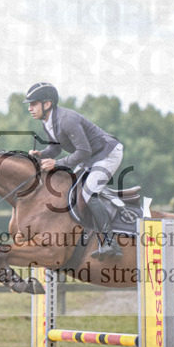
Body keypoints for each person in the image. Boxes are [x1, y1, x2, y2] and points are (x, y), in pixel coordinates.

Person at [25, 82, 124, 258]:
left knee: (88, 193)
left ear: (47, 104)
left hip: (107, 154)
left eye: (33, 104)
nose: (30, 108)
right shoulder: (47, 122)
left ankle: (111, 243)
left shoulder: (67, 120)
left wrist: (57, 164)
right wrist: (41, 154)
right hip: (91, 156)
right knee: (70, 190)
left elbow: (84, 151)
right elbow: (55, 148)